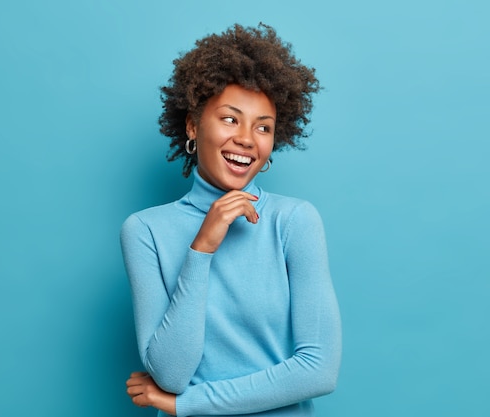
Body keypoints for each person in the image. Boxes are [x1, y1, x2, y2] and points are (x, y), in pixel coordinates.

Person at [120, 23, 341, 417]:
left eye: (263, 127)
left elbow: (318, 370)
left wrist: (186, 405)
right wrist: (201, 247)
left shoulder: (294, 221)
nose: (246, 139)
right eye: (230, 119)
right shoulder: (145, 231)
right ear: (192, 125)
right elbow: (170, 373)